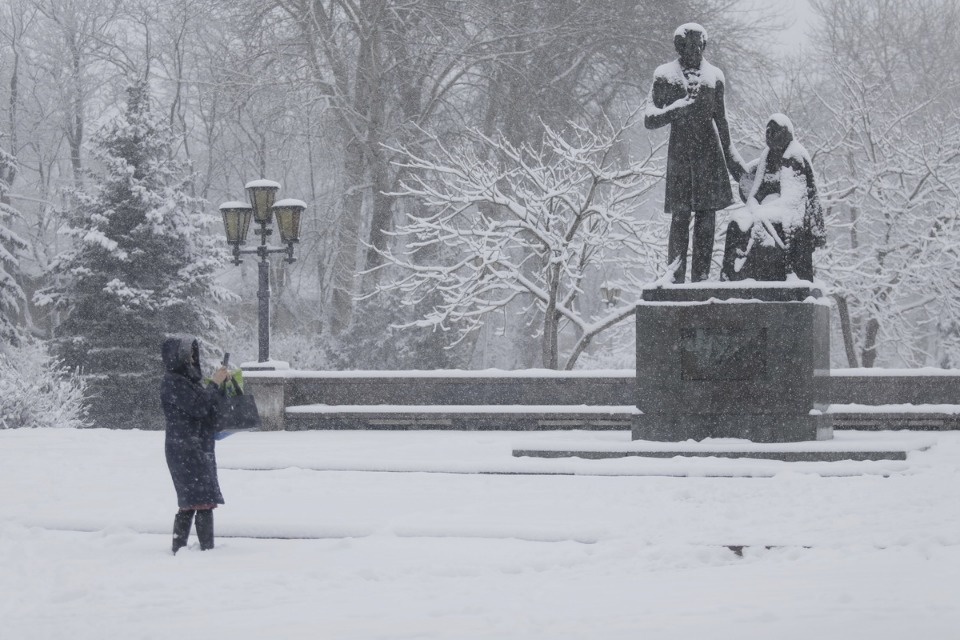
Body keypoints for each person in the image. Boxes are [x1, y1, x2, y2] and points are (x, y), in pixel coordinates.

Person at [645, 22, 746, 283]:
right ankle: (675, 277)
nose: (697, 50)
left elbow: (722, 123)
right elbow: (650, 118)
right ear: (680, 47)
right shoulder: (664, 75)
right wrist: (676, 109)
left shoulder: (715, 77)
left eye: (700, 45)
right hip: (680, 155)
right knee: (680, 217)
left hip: (709, 155)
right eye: (691, 46)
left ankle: (700, 277)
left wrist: (737, 169)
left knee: (706, 217)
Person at [720, 114, 826, 282]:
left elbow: (792, 199)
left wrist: (761, 211)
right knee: (736, 223)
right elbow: (754, 194)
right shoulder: (767, 156)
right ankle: (732, 277)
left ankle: (769, 275)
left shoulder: (794, 157)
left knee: (760, 223)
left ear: (784, 133)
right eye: (767, 132)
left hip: (790, 212)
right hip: (763, 209)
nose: (769, 136)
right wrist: (754, 208)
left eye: (774, 132)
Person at [160, 336, 229, 554]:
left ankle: (188, 548)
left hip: (197, 446)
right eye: (187, 354)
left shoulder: (189, 381)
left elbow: (206, 407)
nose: (192, 358)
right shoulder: (173, 382)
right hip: (184, 449)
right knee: (194, 501)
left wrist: (218, 387)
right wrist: (214, 384)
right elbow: (198, 408)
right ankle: (193, 549)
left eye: (193, 353)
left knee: (200, 500)